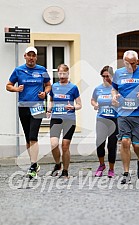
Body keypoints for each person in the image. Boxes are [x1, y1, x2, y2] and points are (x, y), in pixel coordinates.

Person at [112, 50, 139, 184]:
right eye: (127, 63)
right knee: (125, 142)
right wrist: (114, 96)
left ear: (137, 61)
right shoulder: (119, 73)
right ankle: (126, 173)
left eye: (132, 63)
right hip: (123, 113)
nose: (130, 66)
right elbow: (114, 88)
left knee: (137, 145)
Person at [6, 46, 51, 179]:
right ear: (25, 56)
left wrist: (45, 93)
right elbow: (8, 85)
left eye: (33, 55)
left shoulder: (42, 70)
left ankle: (33, 164)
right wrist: (16, 89)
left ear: (36, 57)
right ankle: (34, 164)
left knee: (33, 136)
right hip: (23, 106)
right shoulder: (18, 70)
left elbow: (48, 85)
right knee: (27, 138)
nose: (31, 58)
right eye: (29, 55)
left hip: (37, 106)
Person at [47, 64, 82, 178]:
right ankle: (58, 164)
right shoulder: (54, 86)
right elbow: (51, 100)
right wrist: (48, 109)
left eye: (64, 73)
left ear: (68, 74)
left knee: (65, 146)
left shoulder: (73, 88)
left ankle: (65, 171)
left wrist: (73, 107)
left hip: (69, 119)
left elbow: (79, 104)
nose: (62, 76)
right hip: (56, 118)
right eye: (60, 73)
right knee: (54, 144)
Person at [91, 65, 118, 178]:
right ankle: (101, 165)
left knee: (112, 145)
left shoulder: (116, 88)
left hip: (114, 119)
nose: (106, 78)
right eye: (104, 76)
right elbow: (93, 100)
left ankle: (111, 169)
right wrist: (95, 105)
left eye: (108, 76)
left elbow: (122, 102)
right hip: (101, 118)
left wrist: (117, 102)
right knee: (100, 143)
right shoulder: (98, 89)